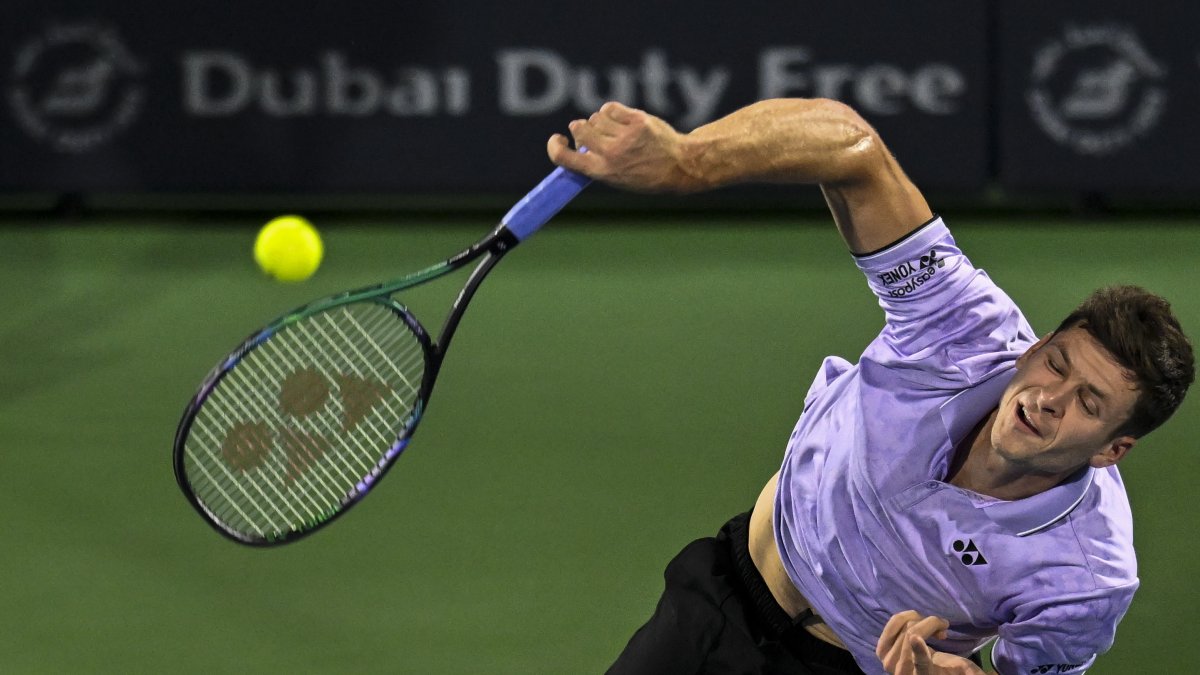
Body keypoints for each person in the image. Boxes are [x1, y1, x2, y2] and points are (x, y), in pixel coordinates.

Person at [545, 99, 1194, 675]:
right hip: (717, 589)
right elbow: (852, 148)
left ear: (1114, 448)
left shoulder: (1088, 575)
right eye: (1057, 362)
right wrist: (688, 159)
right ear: (1037, 346)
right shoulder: (961, 325)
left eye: (1088, 402)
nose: (1048, 397)